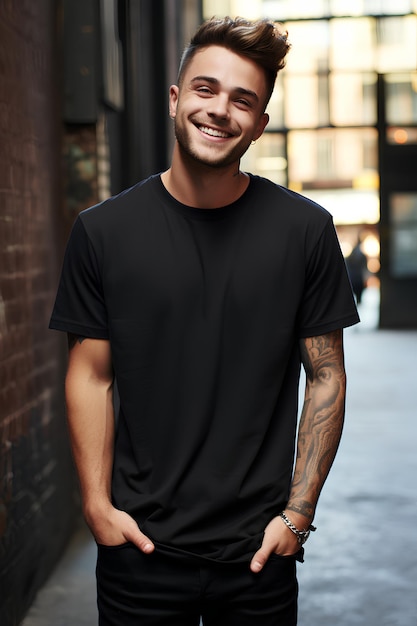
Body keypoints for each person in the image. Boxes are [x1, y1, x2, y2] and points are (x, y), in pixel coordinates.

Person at [50, 16, 359, 626]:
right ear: (175, 99)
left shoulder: (305, 231)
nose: (220, 110)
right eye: (205, 89)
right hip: (138, 549)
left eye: (243, 100)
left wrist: (297, 516)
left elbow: (326, 375)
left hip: (257, 556)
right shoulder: (103, 233)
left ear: (260, 124)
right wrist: (96, 507)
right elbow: (90, 375)